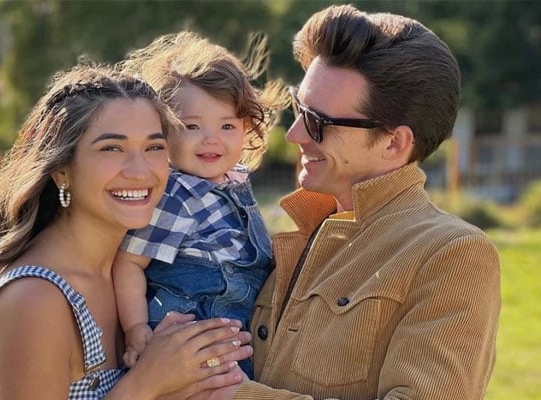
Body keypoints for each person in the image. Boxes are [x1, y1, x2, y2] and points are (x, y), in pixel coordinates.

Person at [199, 4, 501, 400]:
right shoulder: (283, 236)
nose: (294, 135)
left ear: (394, 143)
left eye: (318, 122)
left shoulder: (451, 253)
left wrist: (228, 395)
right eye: (298, 107)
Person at [0, 64, 252, 399]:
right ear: (61, 169)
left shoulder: (144, 280)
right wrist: (146, 382)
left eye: (154, 147)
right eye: (112, 148)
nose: (140, 172)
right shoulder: (36, 299)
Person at [112, 31, 287, 379]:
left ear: (246, 128)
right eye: (192, 126)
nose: (211, 139)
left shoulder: (237, 183)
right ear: (162, 131)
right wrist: (135, 328)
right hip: (192, 336)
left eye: (227, 126)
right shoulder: (175, 194)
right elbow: (129, 262)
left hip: (236, 334)